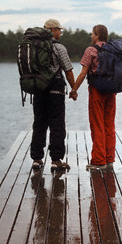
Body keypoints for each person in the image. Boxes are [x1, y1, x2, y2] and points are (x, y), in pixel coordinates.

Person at [31, 18, 76, 171]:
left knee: (39, 124)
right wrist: (74, 89)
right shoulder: (59, 48)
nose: (60, 32)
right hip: (55, 91)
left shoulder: (33, 47)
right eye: (58, 30)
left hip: (38, 90)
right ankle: (56, 160)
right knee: (57, 124)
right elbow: (68, 70)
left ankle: (37, 159)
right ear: (52, 30)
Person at [70, 24, 116, 171]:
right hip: (112, 90)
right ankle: (109, 159)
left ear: (97, 35)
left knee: (97, 124)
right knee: (109, 123)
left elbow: (83, 73)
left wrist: (74, 89)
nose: (91, 36)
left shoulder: (91, 50)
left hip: (97, 90)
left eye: (92, 34)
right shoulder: (113, 49)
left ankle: (98, 160)